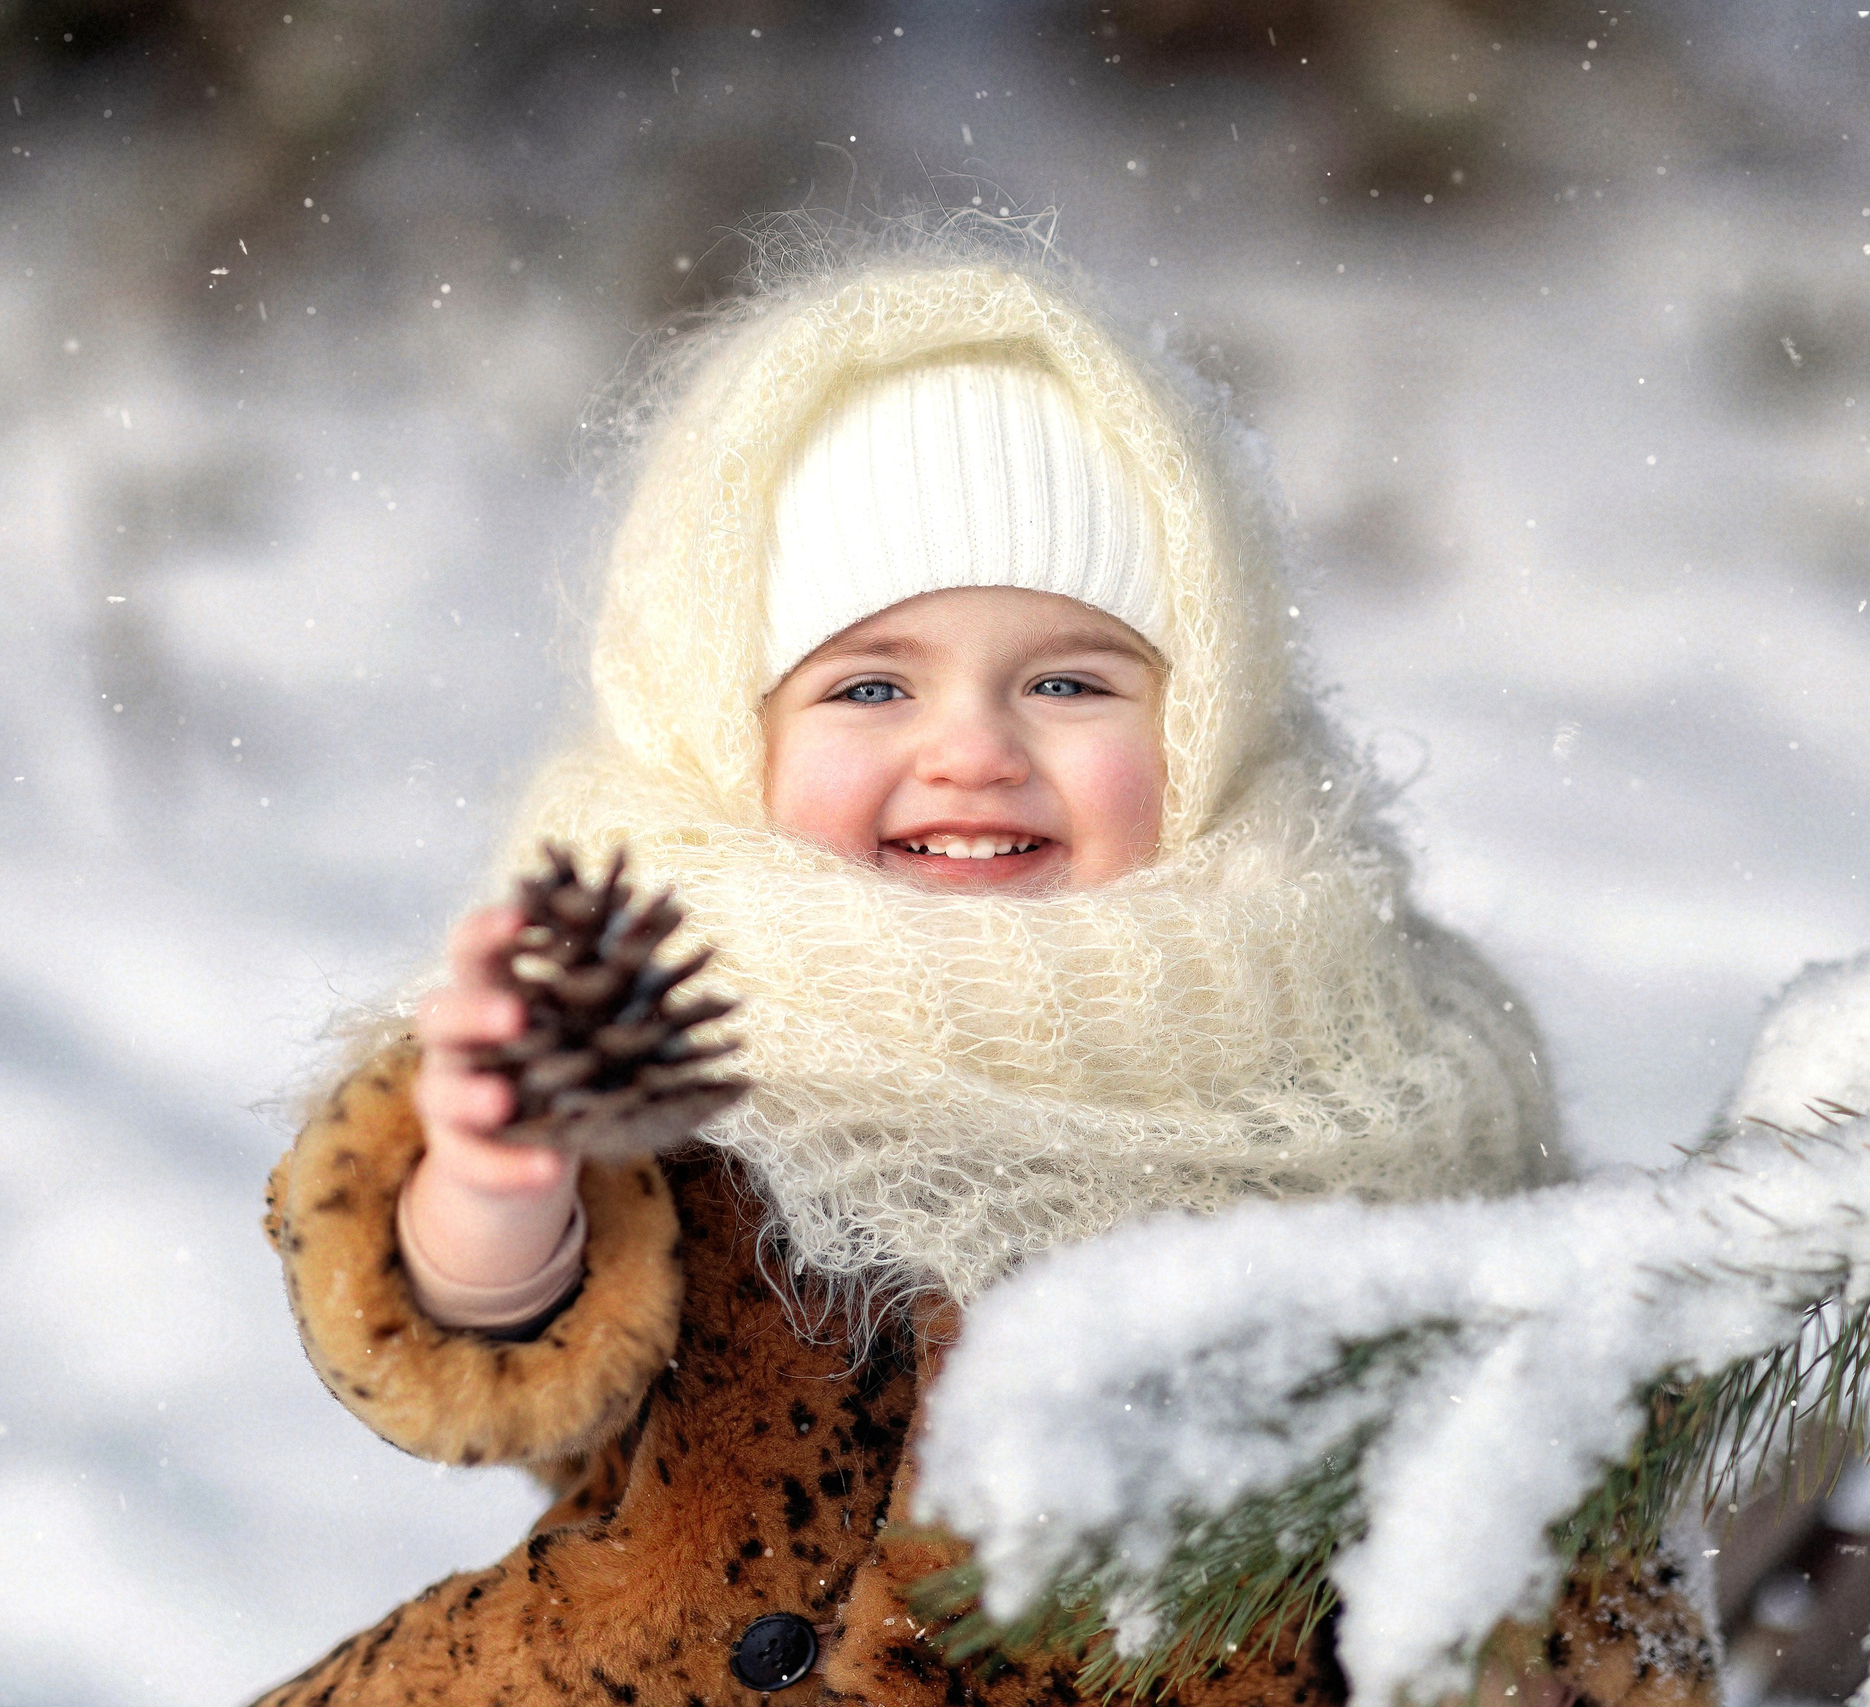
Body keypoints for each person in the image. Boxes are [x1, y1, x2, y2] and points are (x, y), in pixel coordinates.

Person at [256, 234, 1715, 1707]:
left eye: (1068, 681)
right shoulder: (679, 1023)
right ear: (730, 727)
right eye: (870, 685)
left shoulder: (1380, 1071)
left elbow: (1555, 1529)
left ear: (1205, 713)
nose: (971, 749)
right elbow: (477, 1357)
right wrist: (501, 1184)